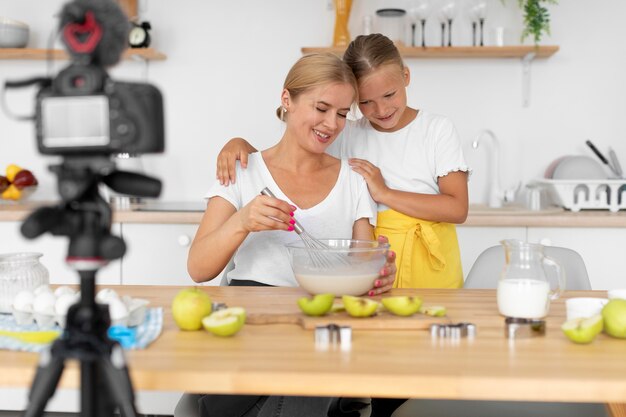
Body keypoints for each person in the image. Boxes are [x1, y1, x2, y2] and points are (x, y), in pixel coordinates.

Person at [188, 52, 397, 417]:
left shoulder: (353, 179)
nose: (332, 124)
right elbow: (198, 268)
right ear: (287, 100)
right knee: (310, 381)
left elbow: (362, 264)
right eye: (322, 108)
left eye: (343, 113)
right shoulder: (243, 170)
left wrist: (379, 272)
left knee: (311, 373)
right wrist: (242, 221)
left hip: (319, 329)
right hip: (248, 328)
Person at [215, 33, 470, 291]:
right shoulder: (346, 131)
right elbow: (290, 158)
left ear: (406, 76)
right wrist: (241, 146)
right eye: (366, 102)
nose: (381, 110)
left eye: (389, 95)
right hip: (373, 262)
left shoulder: (436, 129)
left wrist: (385, 193)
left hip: (428, 264)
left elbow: (458, 208)